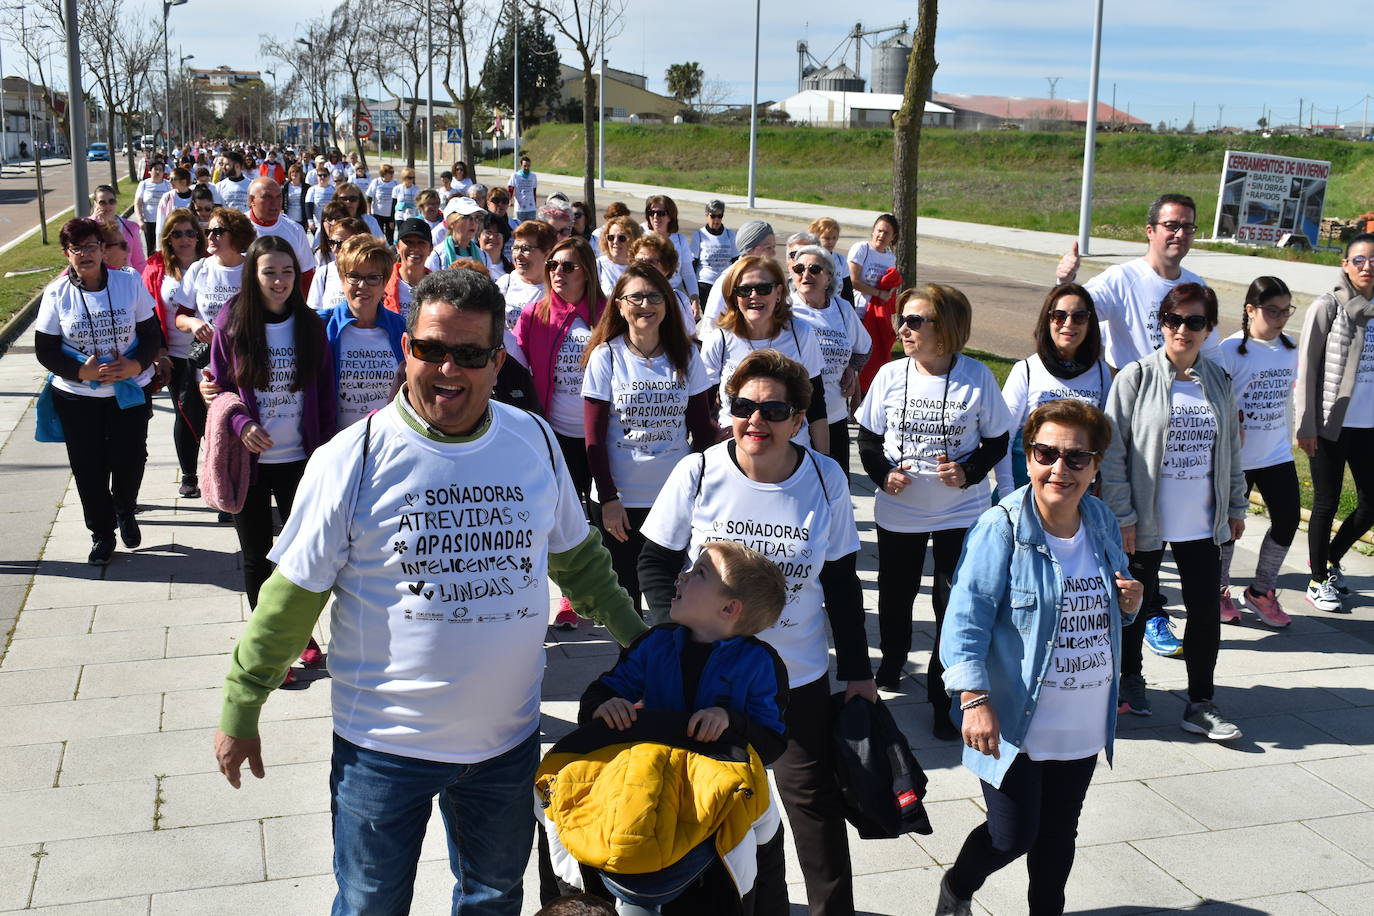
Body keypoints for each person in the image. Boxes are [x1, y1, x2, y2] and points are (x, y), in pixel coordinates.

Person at [213, 267, 644, 915]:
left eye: (469, 355)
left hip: (506, 745)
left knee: (493, 898)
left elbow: (582, 566)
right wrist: (241, 707)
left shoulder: (531, 442)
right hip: (384, 752)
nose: (448, 369)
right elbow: (290, 600)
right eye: (431, 349)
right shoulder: (350, 460)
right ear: (405, 348)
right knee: (369, 905)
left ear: (498, 361)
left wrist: (645, 648)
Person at [638, 348, 876, 915]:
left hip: (795, 676)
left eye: (774, 411)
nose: (756, 421)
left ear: (800, 420)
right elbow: (655, 561)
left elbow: (842, 581)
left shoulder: (825, 477)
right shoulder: (697, 471)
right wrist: (666, 646)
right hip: (709, 680)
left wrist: (860, 672)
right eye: (744, 406)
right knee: (714, 804)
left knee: (810, 804)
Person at [936, 400, 1141, 916]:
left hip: (1082, 719)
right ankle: (958, 887)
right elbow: (964, 620)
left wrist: (1129, 605)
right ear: (1027, 457)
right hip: (1014, 721)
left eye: (1076, 458)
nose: (1059, 469)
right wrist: (972, 698)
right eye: (1046, 453)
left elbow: (1108, 608)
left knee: (1058, 837)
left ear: (1095, 467)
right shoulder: (1000, 528)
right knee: (1012, 837)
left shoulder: (1100, 519)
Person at [560, 540, 789, 913]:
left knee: (755, 853)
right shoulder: (657, 643)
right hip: (649, 780)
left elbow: (774, 742)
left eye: (699, 572)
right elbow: (602, 690)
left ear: (729, 608)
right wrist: (606, 706)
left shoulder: (760, 662)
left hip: (722, 793)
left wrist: (731, 721)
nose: (680, 576)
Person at [856, 284, 1012, 726]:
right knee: (896, 592)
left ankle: (944, 693)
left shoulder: (977, 376)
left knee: (953, 601)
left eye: (914, 320)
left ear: (945, 328)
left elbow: (998, 439)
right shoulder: (890, 374)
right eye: (901, 320)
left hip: (961, 512)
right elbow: (868, 438)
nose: (902, 328)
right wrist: (882, 475)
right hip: (900, 510)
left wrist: (970, 471)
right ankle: (892, 658)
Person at [1100, 282, 1247, 740]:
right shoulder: (1135, 377)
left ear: (1208, 328)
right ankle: (1130, 682)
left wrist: (1237, 503)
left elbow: (1231, 453)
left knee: (1204, 612)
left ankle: (1201, 701)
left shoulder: (1218, 380)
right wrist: (1122, 514)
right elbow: (1113, 453)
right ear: (1162, 323)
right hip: (1143, 519)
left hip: (1201, 521)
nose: (1183, 330)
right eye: (1174, 320)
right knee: (1134, 606)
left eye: (1195, 322)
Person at [205, 235, 337, 617]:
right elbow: (221, 388)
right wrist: (242, 423)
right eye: (269, 272)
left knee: (301, 556)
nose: (279, 281)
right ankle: (264, 638)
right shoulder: (232, 319)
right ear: (253, 275)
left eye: (287, 272)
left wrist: (325, 456)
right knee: (256, 555)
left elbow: (325, 397)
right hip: (250, 464)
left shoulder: (310, 325)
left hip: (300, 461)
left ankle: (297, 634)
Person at [582, 263, 715, 613]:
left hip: (673, 497)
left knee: (668, 598)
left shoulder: (686, 355)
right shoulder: (605, 355)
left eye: (654, 295)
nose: (645, 304)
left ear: (667, 304)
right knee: (626, 599)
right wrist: (609, 498)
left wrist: (703, 491)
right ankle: (633, 665)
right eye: (636, 296)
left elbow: (702, 432)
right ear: (620, 305)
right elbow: (593, 440)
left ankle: (665, 666)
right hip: (619, 502)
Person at [33, 217, 161, 565]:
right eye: (77, 249)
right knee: (88, 467)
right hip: (77, 397)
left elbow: (152, 336)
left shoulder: (127, 283)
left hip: (130, 391)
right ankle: (102, 534)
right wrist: (81, 371)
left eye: (91, 247)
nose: (85, 254)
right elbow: (45, 349)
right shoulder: (57, 294)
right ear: (67, 254)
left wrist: (135, 366)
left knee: (130, 459)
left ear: (104, 250)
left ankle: (124, 507)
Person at [515, 237, 607, 629]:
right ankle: (569, 595)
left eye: (568, 266)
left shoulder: (608, 315)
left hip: (601, 434)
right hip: (554, 434)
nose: (557, 273)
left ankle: (606, 590)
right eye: (552, 265)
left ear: (587, 270)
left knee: (602, 514)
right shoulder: (534, 315)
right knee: (558, 518)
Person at [1295, 233, 1374, 613]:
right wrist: (1305, 424)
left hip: (1369, 425)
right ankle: (1316, 580)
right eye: (1358, 260)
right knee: (1325, 502)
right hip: (1331, 423)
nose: (1366, 266)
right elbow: (1307, 367)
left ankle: (1330, 560)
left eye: (1373, 260)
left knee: (1370, 504)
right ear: (1345, 265)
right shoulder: (1328, 306)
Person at [1214, 277, 1298, 627]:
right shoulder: (1229, 351)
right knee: (1228, 529)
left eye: (1286, 311)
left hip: (1277, 453)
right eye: (1272, 310)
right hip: (1237, 459)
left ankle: (1261, 591)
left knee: (1288, 519)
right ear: (1250, 310)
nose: (1280, 318)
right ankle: (1218, 591)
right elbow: (1215, 400)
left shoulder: (1291, 348)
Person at [1056, 193, 1220, 369]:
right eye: (1171, 225)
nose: (1180, 234)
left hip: (1182, 389)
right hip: (1133, 390)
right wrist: (1065, 283)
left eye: (1187, 227)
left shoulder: (1197, 285)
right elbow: (1072, 312)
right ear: (1150, 231)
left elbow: (1211, 351)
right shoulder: (1122, 278)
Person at [699, 256, 829, 455]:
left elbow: (816, 404)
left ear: (778, 292)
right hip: (737, 452)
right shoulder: (719, 340)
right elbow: (702, 405)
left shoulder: (800, 333)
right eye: (744, 290)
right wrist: (712, 437)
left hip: (792, 451)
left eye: (763, 289)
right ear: (734, 297)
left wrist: (823, 462)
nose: (754, 296)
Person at [993, 283, 1110, 499]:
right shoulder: (1027, 370)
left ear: (1090, 322)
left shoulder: (1102, 373)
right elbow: (1004, 438)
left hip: (1076, 489)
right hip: (1025, 486)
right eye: (1059, 315)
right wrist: (1007, 491)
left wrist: (1101, 484)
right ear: (1047, 320)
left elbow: (1105, 439)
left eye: (1079, 316)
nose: (1068, 323)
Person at [788, 244, 871, 478]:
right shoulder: (786, 310)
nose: (806, 274)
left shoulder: (842, 309)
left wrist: (852, 370)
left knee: (835, 488)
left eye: (814, 269)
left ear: (829, 278)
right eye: (799, 268)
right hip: (796, 421)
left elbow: (865, 347)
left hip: (834, 417)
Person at [144, 209, 208, 498]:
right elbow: (147, 314)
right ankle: (189, 475)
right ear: (168, 239)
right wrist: (158, 350)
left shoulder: (210, 264)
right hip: (176, 354)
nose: (185, 239)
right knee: (185, 411)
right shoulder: (157, 268)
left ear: (199, 235)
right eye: (178, 234)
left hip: (210, 353)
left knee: (213, 414)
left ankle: (213, 471)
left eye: (190, 232)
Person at [319, 235, 406, 429]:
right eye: (354, 276)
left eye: (373, 277)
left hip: (389, 444)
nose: (362, 285)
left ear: (384, 283)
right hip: (336, 444)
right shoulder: (321, 327)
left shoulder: (402, 329)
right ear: (342, 279)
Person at [247, 177, 317, 294]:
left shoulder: (295, 230)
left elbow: (306, 274)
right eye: (267, 197)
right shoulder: (238, 228)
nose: (275, 203)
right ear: (252, 200)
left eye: (278, 197)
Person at [702, 220, 775, 324]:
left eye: (773, 247)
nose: (773, 253)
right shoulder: (728, 279)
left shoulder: (770, 276)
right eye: (768, 248)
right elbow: (711, 323)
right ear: (750, 249)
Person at [629, 233, 698, 336]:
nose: (643, 266)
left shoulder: (679, 299)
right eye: (639, 261)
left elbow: (691, 338)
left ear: (666, 268)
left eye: (651, 261)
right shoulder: (625, 298)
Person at [643, 196, 699, 312]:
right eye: (651, 212)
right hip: (648, 295)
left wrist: (695, 299)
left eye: (661, 213)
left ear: (670, 216)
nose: (655, 217)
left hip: (674, 295)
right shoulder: (642, 238)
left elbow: (688, 272)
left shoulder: (679, 239)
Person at [497, 220, 555, 332]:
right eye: (515, 248)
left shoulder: (556, 287)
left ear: (547, 254)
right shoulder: (505, 284)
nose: (518, 255)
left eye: (526, 249)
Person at [307, 216, 368, 313]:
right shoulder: (324, 273)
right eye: (332, 242)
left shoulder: (373, 274)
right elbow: (314, 312)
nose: (335, 249)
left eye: (341, 244)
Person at [847, 214, 897, 321]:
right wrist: (879, 293)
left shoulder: (890, 258)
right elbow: (852, 281)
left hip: (876, 315)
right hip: (856, 311)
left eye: (886, 233)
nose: (882, 235)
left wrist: (889, 292)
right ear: (873, 231)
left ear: (893, 237)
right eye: (879, 231)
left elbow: (889, 285)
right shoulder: (861, 248)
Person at [384, 217, 433, 322]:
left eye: (421, 242)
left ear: (430, 249)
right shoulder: (381, 282)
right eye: (408, 242)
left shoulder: (439, 288)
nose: (415, 248)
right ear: (397, 247)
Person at [91, 185, 148, 274]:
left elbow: (139, 262)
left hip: (124, 278)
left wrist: (142, 284)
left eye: (111, 201)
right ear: (95, 204)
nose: (107, 206)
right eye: (102, 202)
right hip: (96, 280)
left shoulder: (130, 227)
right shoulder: (88, 226)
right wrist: (94, 220)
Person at [692, 199, 737, 308]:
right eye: (713, 216)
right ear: (706, 215)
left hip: (724, 282)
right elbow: (693, 263)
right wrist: (692, 290)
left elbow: (736, 259)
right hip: (705, 283)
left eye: (719, 216)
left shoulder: (730, 234)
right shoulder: (699, 235)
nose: (716, 220)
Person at [429, 196, 486, 271]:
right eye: (466, 217)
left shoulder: (482, 255)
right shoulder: (438, 255)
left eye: (477, 217)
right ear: (452, 222)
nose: (473, 222)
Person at [319, 181, 384, 242]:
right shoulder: (329, 222)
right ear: (336, 200)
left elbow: (382, 246)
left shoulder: (369, 221)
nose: (348, 202)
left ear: (359, 201)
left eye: (353, 199)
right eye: (343, 198)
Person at [596, 214, 642, 295]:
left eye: (621, 238)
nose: (615, 242)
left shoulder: (641, 267)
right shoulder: (598, 265)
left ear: (633, 240)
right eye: (611, 237)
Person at [808, 217, 850, 303]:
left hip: (835, 307)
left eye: (834, 238)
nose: (831, 242)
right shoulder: (809, 258)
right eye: (826, 238)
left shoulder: (841, 260)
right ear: (816, 238)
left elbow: (847, 291)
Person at [153, 167, 194, 248]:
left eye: (173, 179)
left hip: (191, 239)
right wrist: (160, 246)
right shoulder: (167, 197)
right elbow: (161, 223)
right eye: (169, 178)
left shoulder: (195, 196)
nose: (170, 181)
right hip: (173, 240)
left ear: (183, 181)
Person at [135, 166, 171, 255]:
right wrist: (140, 220)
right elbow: (137, 203)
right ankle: (152, 267)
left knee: (164, 247)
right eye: (156, 169)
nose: (158, 172)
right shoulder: (144, 184)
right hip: (149, 221)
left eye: (161, 170)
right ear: (150, 171)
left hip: (164, 222)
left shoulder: (167, 185)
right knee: (151, 247)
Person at [366, 163, 398, 243]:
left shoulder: (395, 183)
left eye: (393, 172)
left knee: (390, 237)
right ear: (384, 173)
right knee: (378, 236)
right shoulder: (376, 182)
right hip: (378, 214)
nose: (392, 174)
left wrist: (393, 218)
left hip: (390, 215)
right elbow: (369, 197)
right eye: (390, 172)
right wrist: (369, 210)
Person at [477, 211, 512, 281]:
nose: (492, 237)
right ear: (478, 236)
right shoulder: (471, 263)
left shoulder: (512, 268)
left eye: (497, 234)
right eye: (488, 233)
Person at [509, 154, 539, 221]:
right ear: (521, 165)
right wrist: (509, 200)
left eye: (528, 166)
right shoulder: (515, 176)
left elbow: (534, 190)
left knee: (531, 229)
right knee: (519, 229)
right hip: (520, 209)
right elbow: (510, 189)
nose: (527, 168)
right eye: (525, 166)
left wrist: (535, 202)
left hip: (531, 208)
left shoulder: (533, 176)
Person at [306, 167, 335, 233]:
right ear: (317, 176)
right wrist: (310, 221)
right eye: (320, 175)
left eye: (325, 175)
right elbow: (308, 206)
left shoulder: (334, 189)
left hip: (332, 223)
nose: (322, 177)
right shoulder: (312, 189)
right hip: (317, 224)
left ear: (329, 176)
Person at [283, 162, 309, 232]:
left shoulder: (306, 187)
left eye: (297, 172)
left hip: (302, 218)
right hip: (288, 218)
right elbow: (281, 202)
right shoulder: (285, 187)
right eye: (292, 172)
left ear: (300, 174)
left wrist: (308, 219)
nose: (295, 173)